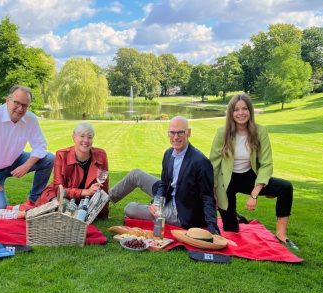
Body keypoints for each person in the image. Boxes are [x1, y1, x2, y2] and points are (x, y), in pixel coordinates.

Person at [209, 93, 298, 249]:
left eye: (244, 108)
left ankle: (281, 234)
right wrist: (214, 192)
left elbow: (266, 163)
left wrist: (254, 194)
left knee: (285, 187)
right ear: (231, 112)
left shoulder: (260, 131)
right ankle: (234, 217)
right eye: (236, 109)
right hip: (226, 181)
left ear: (250, 111)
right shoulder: (222, 133)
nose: (240, 113)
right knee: (231, 229)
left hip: (249, 178)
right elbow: (213, 165)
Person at [109, 116, 219, 234]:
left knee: (129, 208)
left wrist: (213, 229)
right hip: (169, 194)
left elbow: (208, 197)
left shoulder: (200, 162)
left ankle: (159, 211)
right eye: (172, 133)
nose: (175, 137)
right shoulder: (169, 153)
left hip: (181, 211)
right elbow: (164, 184)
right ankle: (102, 202)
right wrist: (157, 202)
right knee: (136, 174)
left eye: (180, 133)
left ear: (189, 133)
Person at [0, 122, 109, 219]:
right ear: (74, 137)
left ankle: (22, 209)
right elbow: (58, 189)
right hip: (59, 196)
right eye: (82, 136)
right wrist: (84, 192)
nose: (86, 140)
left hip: (83, 201)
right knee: (58, 209)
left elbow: (104, 185)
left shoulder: (101, 155)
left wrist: (103, 213)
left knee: (77, 215)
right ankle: (18, 214)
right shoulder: (62, 154)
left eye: (90, 137)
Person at [0, 85, 55, 212]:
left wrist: (26, 165)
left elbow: (40, 145)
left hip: (15, 161)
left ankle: (34, 200)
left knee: (49, 158)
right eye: (17, 103)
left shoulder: (30, 118)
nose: (20, 109)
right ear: (8, 100)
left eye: (25, 105)